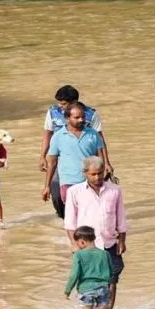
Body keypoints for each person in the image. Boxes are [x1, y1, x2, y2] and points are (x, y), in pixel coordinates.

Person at [39, 85, 114, 217]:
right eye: (59, 103)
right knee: (57, 195)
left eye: (63, 103)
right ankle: (65, 218)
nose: (60, 106)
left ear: (74, 102)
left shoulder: (91, 114)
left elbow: (100, 141)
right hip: (61, 158)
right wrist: (42, 157)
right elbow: (47, 135)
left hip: (87, 159)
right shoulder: (52, 113)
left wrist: (106, 163)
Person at [64, 156, 128, 309]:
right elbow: (70, 222)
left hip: (109, 243)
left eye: (99, 173)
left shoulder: (115, 190)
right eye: (93, 174)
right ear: (85, 173)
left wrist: (122, 240)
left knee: (112, 280)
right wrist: (74, 244)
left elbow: (121, 217)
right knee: (89, 282)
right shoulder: (74, 191)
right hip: (86, 246)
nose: (97, 177)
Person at [64, 226, 114, 309]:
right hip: (103, 288)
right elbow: (111, 272)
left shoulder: (78, 255)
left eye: (77, 243)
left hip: (86, 289)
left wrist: (68, 290)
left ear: (82, 242)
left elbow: (74, 274)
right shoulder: (105, 254)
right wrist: (108, 286)